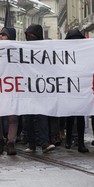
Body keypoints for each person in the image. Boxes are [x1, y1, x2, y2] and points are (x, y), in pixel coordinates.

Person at [23, 24, 56, 154]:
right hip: (27, 89)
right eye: (28, 35)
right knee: (28, 119)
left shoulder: (45, 49)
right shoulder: (23, 49)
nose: (30, 38)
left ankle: (44, 143)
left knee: (41, 116)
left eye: (32, 35)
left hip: (41, 89)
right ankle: (32, 144)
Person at [0, 27, 19, 155]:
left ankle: (10, 142)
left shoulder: (18, 51)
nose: (1, 36)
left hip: (12, 88)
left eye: (4, 35)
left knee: (13, 117)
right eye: (1, 34)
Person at [63, 28, 89, 153]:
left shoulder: (84, 53)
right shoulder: (64, 52)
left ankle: (75, 141)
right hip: (72, 87)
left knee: (75, 117)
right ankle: (77, 141)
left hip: (79, 87)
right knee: (74, 117)